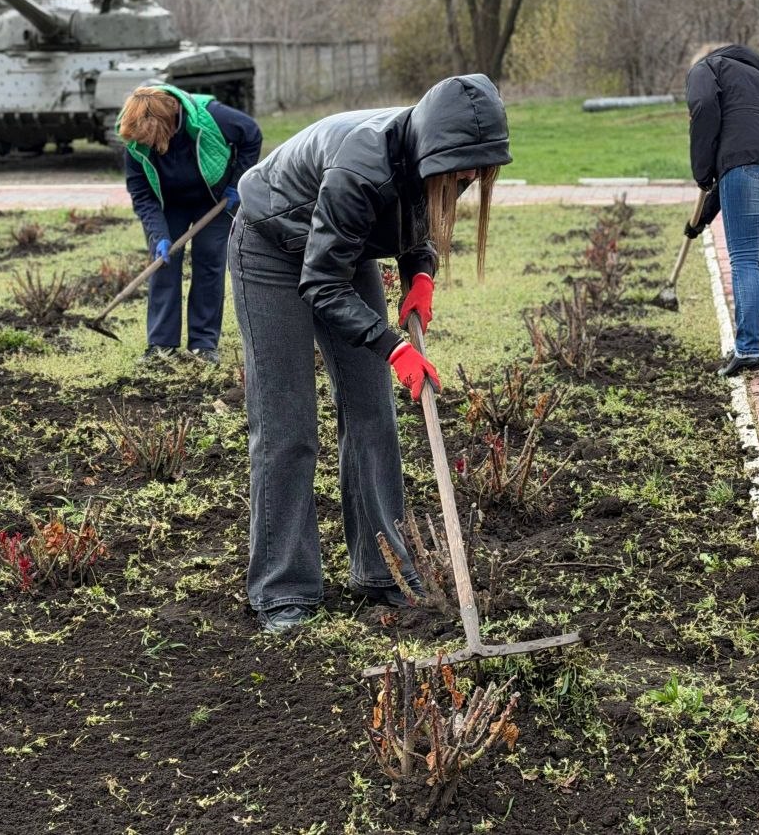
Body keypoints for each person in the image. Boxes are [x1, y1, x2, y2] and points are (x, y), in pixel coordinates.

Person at [230, 74, 510, 632]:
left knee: (372, 410)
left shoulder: (445, 154)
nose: (467, 182)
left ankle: (383, 571)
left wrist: (421, 273)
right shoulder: (362, 166)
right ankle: (283, 589)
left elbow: (415, 219)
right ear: (433, 149)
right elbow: (321, 283)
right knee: (287, 422)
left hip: (341, 251)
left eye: (475, 174)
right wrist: (394, 346)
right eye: (461, 174)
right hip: (271, 245)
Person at [118, 85, 262, 364]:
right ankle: (161, 344)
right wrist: (158, 235)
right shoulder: (135, 137)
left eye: (151, 138)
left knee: (209, 260)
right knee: (163, 262)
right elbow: (141, 194)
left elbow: (252, 134)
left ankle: (203, 344)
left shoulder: (213, 117)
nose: (146, 144)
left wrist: (237, 183)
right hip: (168, 202)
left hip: (216, 199)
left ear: (167, 122)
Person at [685, 44, 759, 377]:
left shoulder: (705, 68)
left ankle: (747, 350)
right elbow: (739, 157)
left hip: (746, 164)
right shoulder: (755, 76)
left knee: (744, 259)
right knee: (752, 258)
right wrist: (700, 221)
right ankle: (750, 346)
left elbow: (703, 108)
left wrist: (701, 171)